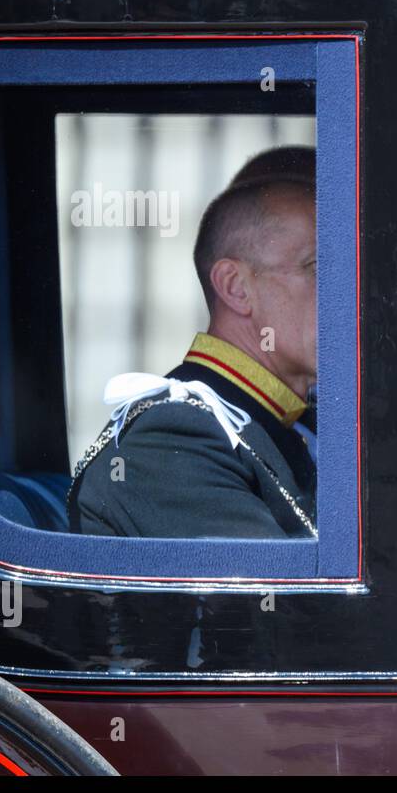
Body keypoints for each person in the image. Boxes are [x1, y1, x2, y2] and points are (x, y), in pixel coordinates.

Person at [67, 151, 318, 538]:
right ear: (236, 288)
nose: (348, 290)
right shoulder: (174, 436)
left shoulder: (292, 418)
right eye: (316, 267)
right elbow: (282, 598)